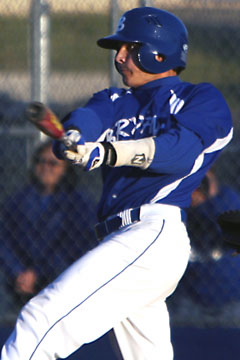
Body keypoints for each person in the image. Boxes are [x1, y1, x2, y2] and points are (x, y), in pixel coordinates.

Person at [1, 7, 233, 360]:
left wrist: (109, 152)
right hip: (124, 239)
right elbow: (87, 119)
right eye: (118, 50)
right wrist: (77, 138)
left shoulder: (198, 99)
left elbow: (180, 152)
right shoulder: (114, 100)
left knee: (41, 318)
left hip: (152, 233)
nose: (120, 57)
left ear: (160, 52)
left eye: (130, 47)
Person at [0, 140, 97, 312]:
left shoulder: (79, 204)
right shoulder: (18, 200)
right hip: (20, 284)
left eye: (53, 163)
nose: (45, 167)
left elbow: (74, 247)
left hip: (60, 281)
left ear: (66, 169)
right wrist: (18, 272)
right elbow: (5, 240)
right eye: (40, 161)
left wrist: (38, 273)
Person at [167, 170, 240, 327]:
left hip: (232, 302)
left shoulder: (226, 199)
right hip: (188, 303)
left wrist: (209, 199)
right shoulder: (177, 207)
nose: (196, 193)